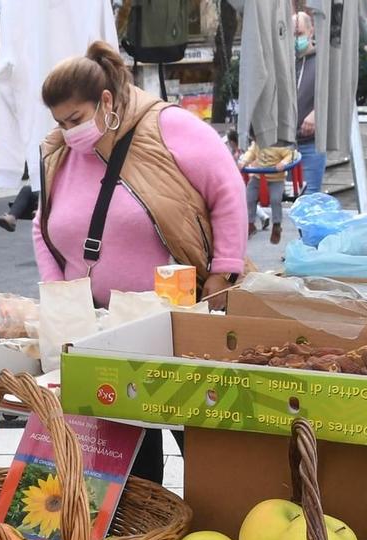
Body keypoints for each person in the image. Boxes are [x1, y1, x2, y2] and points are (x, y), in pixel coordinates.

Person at [33, 41, 246, 482]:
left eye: (75, 119)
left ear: (105, 101)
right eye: (59, 122)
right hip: (104, 333)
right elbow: (42, 225)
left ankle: (215, 526)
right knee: (127, 461)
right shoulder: (60, 153)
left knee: (202, 446)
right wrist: (59, 296)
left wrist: (224, 271)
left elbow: (227, 190)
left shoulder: (166, 126)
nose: (69, 131)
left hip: (176, 323)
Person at [294, 6, 324, 195]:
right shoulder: (284, 63)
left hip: (310, 143)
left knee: (309, 198)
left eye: (299, 33)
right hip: (284, 146)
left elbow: (333, 96)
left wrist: (317, 113)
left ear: (311, 31)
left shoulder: (323, 61)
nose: (295, 39)